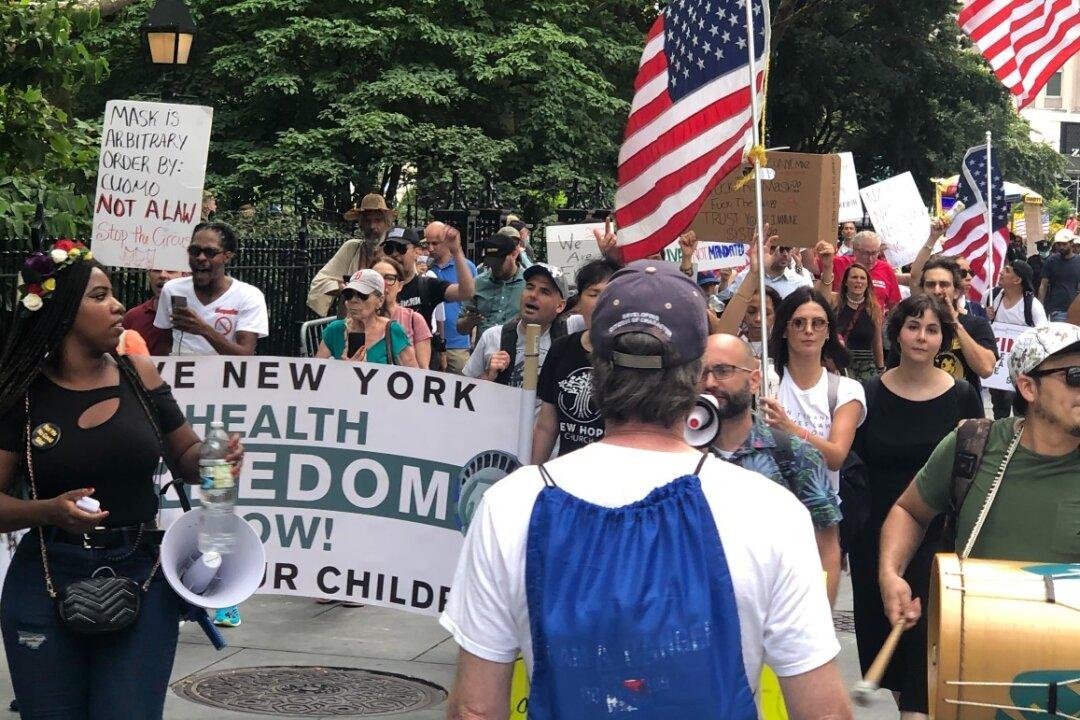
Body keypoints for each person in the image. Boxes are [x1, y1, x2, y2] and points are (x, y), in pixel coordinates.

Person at [442, 260, 851, 720]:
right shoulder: (768, 511)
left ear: (595, 368)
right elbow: (825, 713)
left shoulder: (510, 505)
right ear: (697, 375)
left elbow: (474, 710)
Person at [0, 242, 243, 717]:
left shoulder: (139, 373)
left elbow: (188, 459)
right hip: (46, 578)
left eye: (113, 295)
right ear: (63, 311)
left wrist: (220, 461)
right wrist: (46, 512)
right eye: (100, 296)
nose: (116, 306)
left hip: (142, 576)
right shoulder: (22, 395)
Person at [880, 322, 1080, 640]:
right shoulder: (974, 443)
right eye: (1075, 377)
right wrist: (891, 574)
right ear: (1028, 388)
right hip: (971, 656)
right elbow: (910, 511)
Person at [849, 294, 984, 719]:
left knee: (925, 648)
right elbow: (854, 468)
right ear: (897, 332)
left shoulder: (963, 396)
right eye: (913, 326)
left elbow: (975, 470)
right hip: (877, 538)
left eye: (931, 329)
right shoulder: (868, 393)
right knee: (884, 639)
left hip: (938, 538)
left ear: (943, 338)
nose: (921, 337)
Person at [702, 334, 843, 605]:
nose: (710, 383)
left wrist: (819, 621)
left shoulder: (794, 455)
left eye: (723, 371)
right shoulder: (678, 456)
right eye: (701, 373)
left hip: (774, 619)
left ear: (754, 380)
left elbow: (825, 546)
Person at [759, 287, 866, 501]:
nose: (808, 330)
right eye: (799, 323)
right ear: (784, 330)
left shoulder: (846, 389)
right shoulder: (765, 382)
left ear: (828, 332)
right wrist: (753, 275)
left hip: (822, 510)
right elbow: (721, 338)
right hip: (770, 505)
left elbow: (835, 457)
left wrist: (789, 428)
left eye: (817, 323)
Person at [531, 259, 620, 462]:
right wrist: (535, 473)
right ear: (579, 301)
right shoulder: (561, 349)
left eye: (609, 295)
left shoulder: (632, 356)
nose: (601, 302)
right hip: (565, 474)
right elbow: (546, 426)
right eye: (593, 294)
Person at [155, 223, 269, 358]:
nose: (201, 258)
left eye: (210, 252)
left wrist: (204, 330)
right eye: (194, 251)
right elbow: (164, 342)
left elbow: (245, 355)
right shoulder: (172, 289)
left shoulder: (249, 296)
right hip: (183, 376)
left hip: (226, 377)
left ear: (227, 256)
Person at [463, 264, 584, 387]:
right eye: (529, 287)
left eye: (545, 291)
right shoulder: (493, 336)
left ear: (560, 306)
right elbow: (464, 392)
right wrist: (488, 375)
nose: (533, 295)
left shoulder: (572, 330)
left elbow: (601, 312)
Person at [892, 255, 997, 393]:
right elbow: (893, 371)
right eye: (930, 285)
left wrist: (956, 325)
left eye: (944, 285)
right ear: (922, 290)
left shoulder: (976, 324)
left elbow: (986, 369)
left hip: (962, 408)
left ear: (957, 292)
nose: (937, 291)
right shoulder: (909, 325)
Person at [306, 193, 394, 316]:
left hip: (383, 323)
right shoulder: (351, 248)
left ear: (387, 224)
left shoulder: (395, 250)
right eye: (367, 221)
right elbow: (319, 283)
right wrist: (342, 288)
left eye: (377, 220)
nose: (372, 226)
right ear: (361, 224)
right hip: (350, 324)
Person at [315, 269, 418, 367]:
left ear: (380, 301)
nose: (353, 300)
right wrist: (343, 369)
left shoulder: (392, 331)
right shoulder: (335, 330)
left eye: (362, 295)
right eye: (348, 295)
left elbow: (414, 376)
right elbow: (315, 375)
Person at [987, 259, 1047, 419]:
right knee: (999, 403)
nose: (1000, 272)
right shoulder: (993, 297)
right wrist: (987, 317)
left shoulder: (1032, 306)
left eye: (1006, 270)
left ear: (1017, 279)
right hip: (998, 366)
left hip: (1022, 368)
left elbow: (1043, 334)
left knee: (1020, 405)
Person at [385, 225, 475, 328]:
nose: (394, 254)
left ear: (417, 251)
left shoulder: (427, 285)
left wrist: (456, 251)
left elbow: (466, 293)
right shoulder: (377, 286)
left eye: (401, 248)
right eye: (389, 249)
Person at [815, 249, 884, 380]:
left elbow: (877, 342)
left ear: (867, 283)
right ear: (846, 282)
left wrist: (881, 369)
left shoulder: (874, 308)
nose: (858, 281)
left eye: (862, 278)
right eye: (854, 277)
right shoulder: (835, 301)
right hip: (839, 365)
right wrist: (827, 267)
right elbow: (822, 298)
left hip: (867, 368)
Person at [426, 221, 478, 374]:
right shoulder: (425, 267)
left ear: (447, 242)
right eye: (427, 243)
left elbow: (473, 300)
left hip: (457, 342)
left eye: (435, 243)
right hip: (430, 343)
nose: (430, 248)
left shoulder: (465, 266)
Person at [458, 231, 526, 340]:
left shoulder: (528, 284)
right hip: (485, 352)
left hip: (515, 351)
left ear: (514, 254)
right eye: (491, 263)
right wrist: (469, 321)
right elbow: (461, 329)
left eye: (499, 263)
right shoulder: (478, 283)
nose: (495, 267)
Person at [372, 257, 431, 369]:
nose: (383, 284)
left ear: (400, 285)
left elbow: (423, 372)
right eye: (376, 278)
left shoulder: (414, 320)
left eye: (389, 278)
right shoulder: (358, 320)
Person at [829, 230, 902, 314]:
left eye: (874, 253)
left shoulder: (886, 269)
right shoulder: (839, 263)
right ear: (855, 250)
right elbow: (813, 265)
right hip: (842, 322)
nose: (870, 259)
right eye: (866, 253)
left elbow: (894, 305)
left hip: (874, 324)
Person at [122, 268, 184, 356]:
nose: (162, 275)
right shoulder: (133, 318)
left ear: (184, 275)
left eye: (170, 270)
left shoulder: (199, 317)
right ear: (149, 274)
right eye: (156, 270)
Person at [1039, 229, 1080, 322]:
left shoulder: (1078, 261)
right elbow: (1043, 285)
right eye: (1058, 244)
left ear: (1071, 243)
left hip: (1076, 309)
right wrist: (1040, 306)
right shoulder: (1051, 261)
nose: (1061, 247)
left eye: (1064, 244)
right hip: (1057, 309)